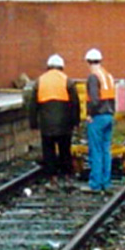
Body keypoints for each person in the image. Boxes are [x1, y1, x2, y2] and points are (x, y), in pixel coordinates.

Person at [28, 54, 80, 183]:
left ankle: (52, 176)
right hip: (64, 124)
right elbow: (75, 103)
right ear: (61, 67)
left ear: (48, 67)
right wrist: (75, 121)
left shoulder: (39, 81)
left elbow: (32, 105)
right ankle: (67, 174)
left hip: (46, 124)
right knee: (64, 150)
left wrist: (33, 123)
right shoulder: (67, 81)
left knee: (48, 150)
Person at [84, 47, 116, 192]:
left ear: (88, 62)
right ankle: (106, 182)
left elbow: (94, 99)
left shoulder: (93, 77)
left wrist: (90, 114)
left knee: (95, 151)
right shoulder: (107, 76)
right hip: (109, 116)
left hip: (97, 117)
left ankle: (95, 184)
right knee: (105, 150)